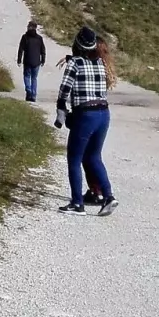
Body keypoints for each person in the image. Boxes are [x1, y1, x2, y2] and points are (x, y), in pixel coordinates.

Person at [55, 26, 117, 216]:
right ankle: (108, 196)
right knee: (93, 156)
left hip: (86, 114)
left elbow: (65, 89)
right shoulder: (99, 63)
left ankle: (77, 203)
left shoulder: (75, 64)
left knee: (74, 158)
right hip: (103, 113)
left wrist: (60, 108)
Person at [16, 21, 46, 102]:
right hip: (36, 62)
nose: (27, 27)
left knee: (26, 76)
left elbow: (21, 49)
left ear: (30, 27)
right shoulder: (39, 38)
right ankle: (33, 95)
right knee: (34, 78)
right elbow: (42, 50)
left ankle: (28, 91)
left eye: (28, 26)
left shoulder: (25, 37)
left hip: (27, 61)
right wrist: (43, 60)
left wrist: (19, 60)